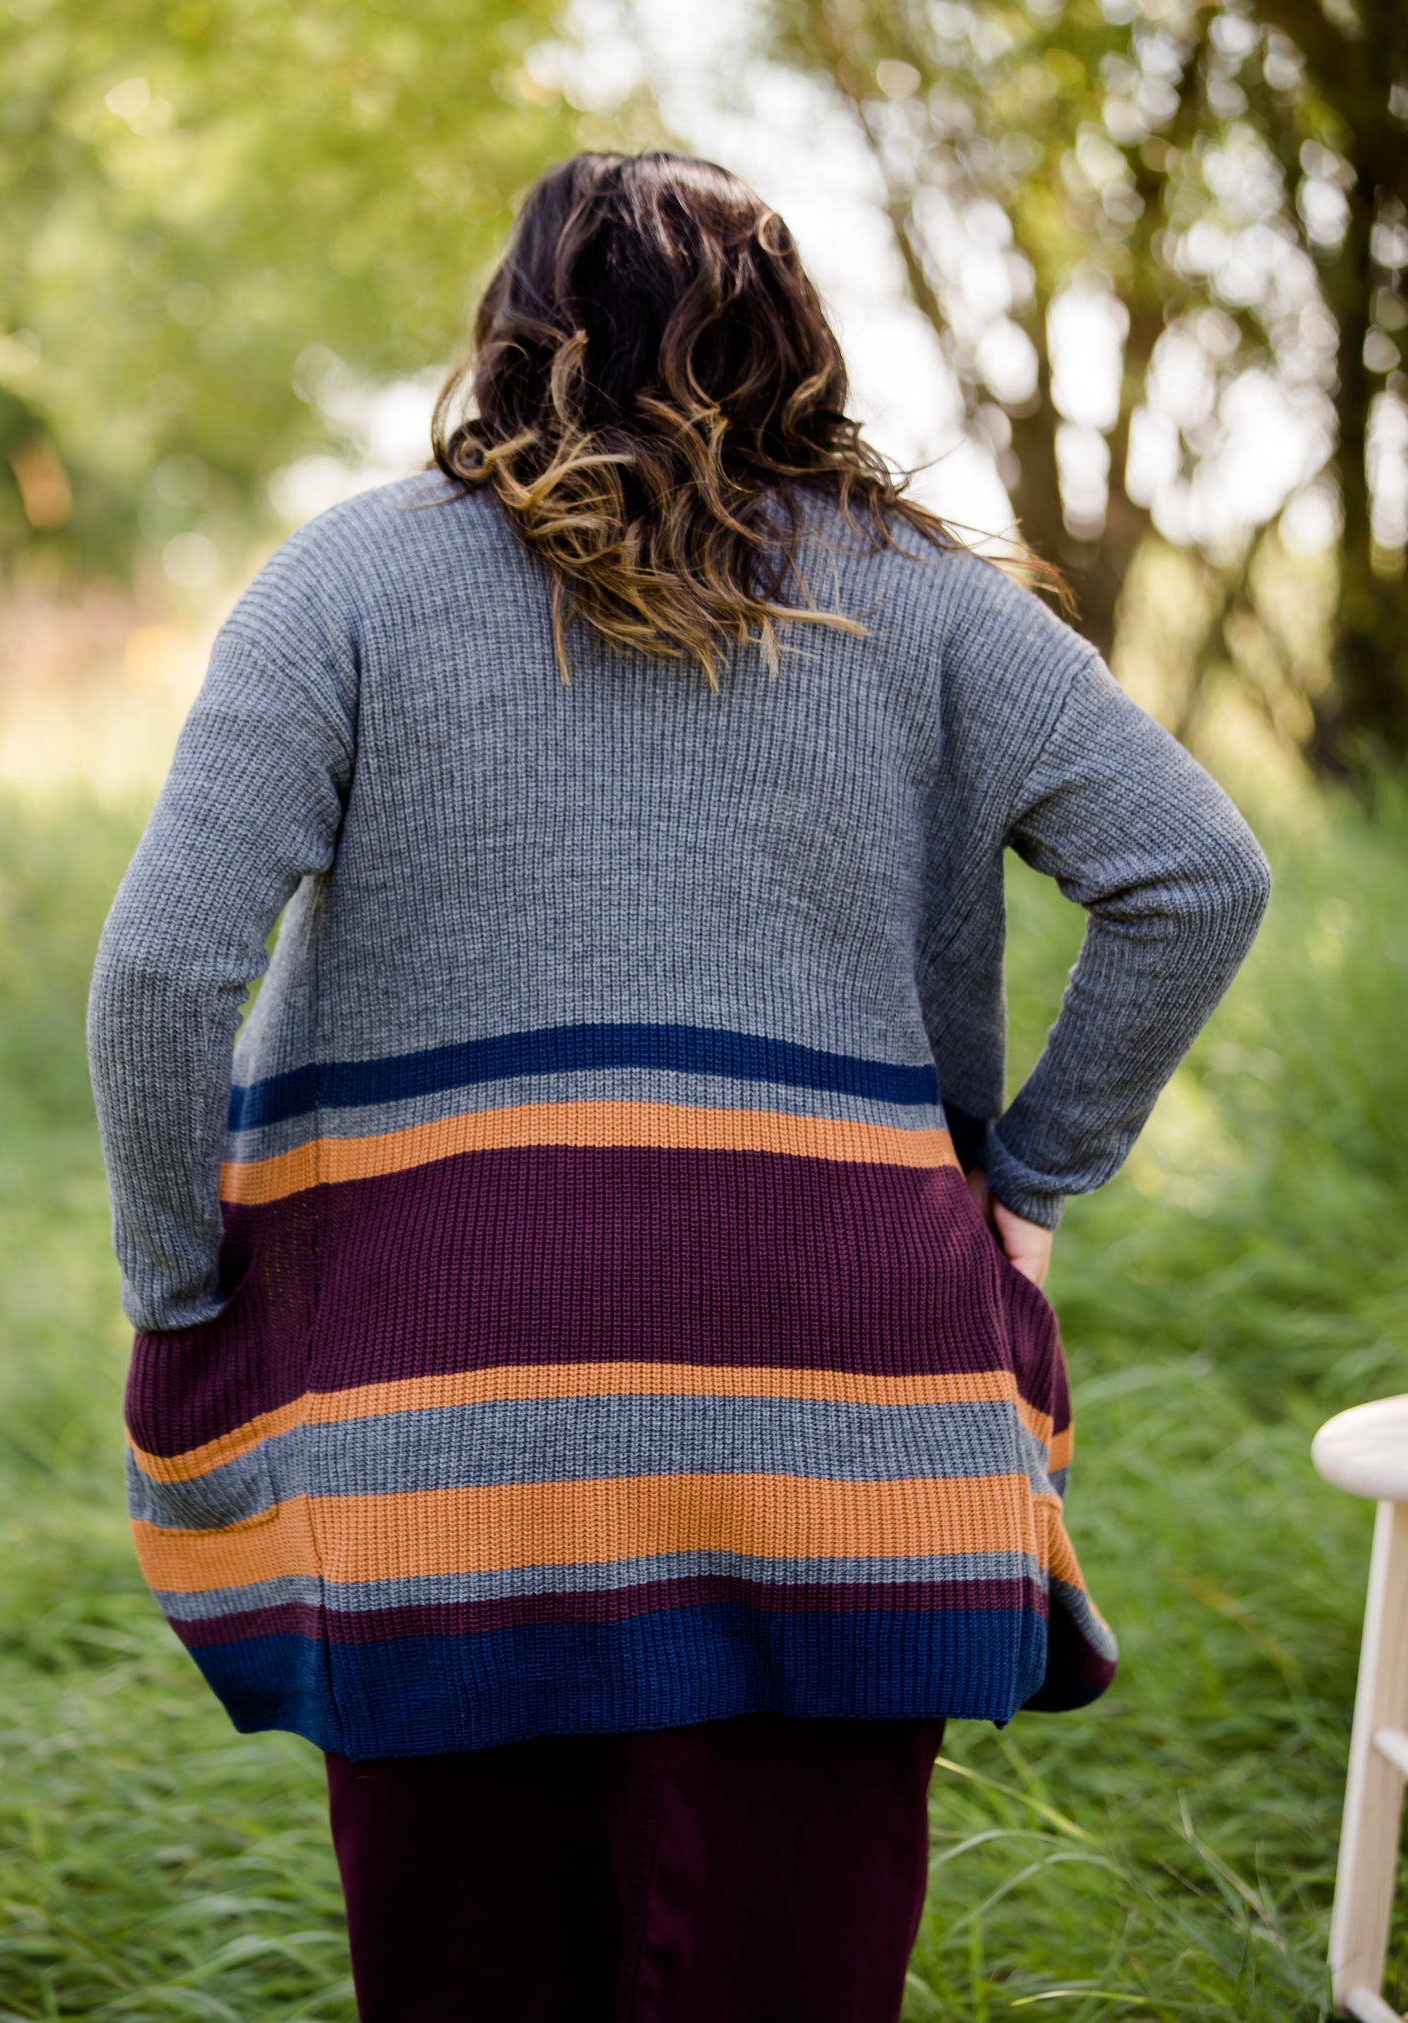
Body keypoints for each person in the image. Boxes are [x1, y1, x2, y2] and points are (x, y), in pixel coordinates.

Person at [86, 150, 1271, 2023]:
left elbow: (160, 970)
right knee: (794, 1959)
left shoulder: (350, 579)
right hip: (843, 1385)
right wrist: (1031, 1181)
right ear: (794, 339)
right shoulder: (930, 607)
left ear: (515, 333)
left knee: (469, 1955)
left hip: (442, 1408)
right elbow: (1196, 875)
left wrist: (180, 1279)